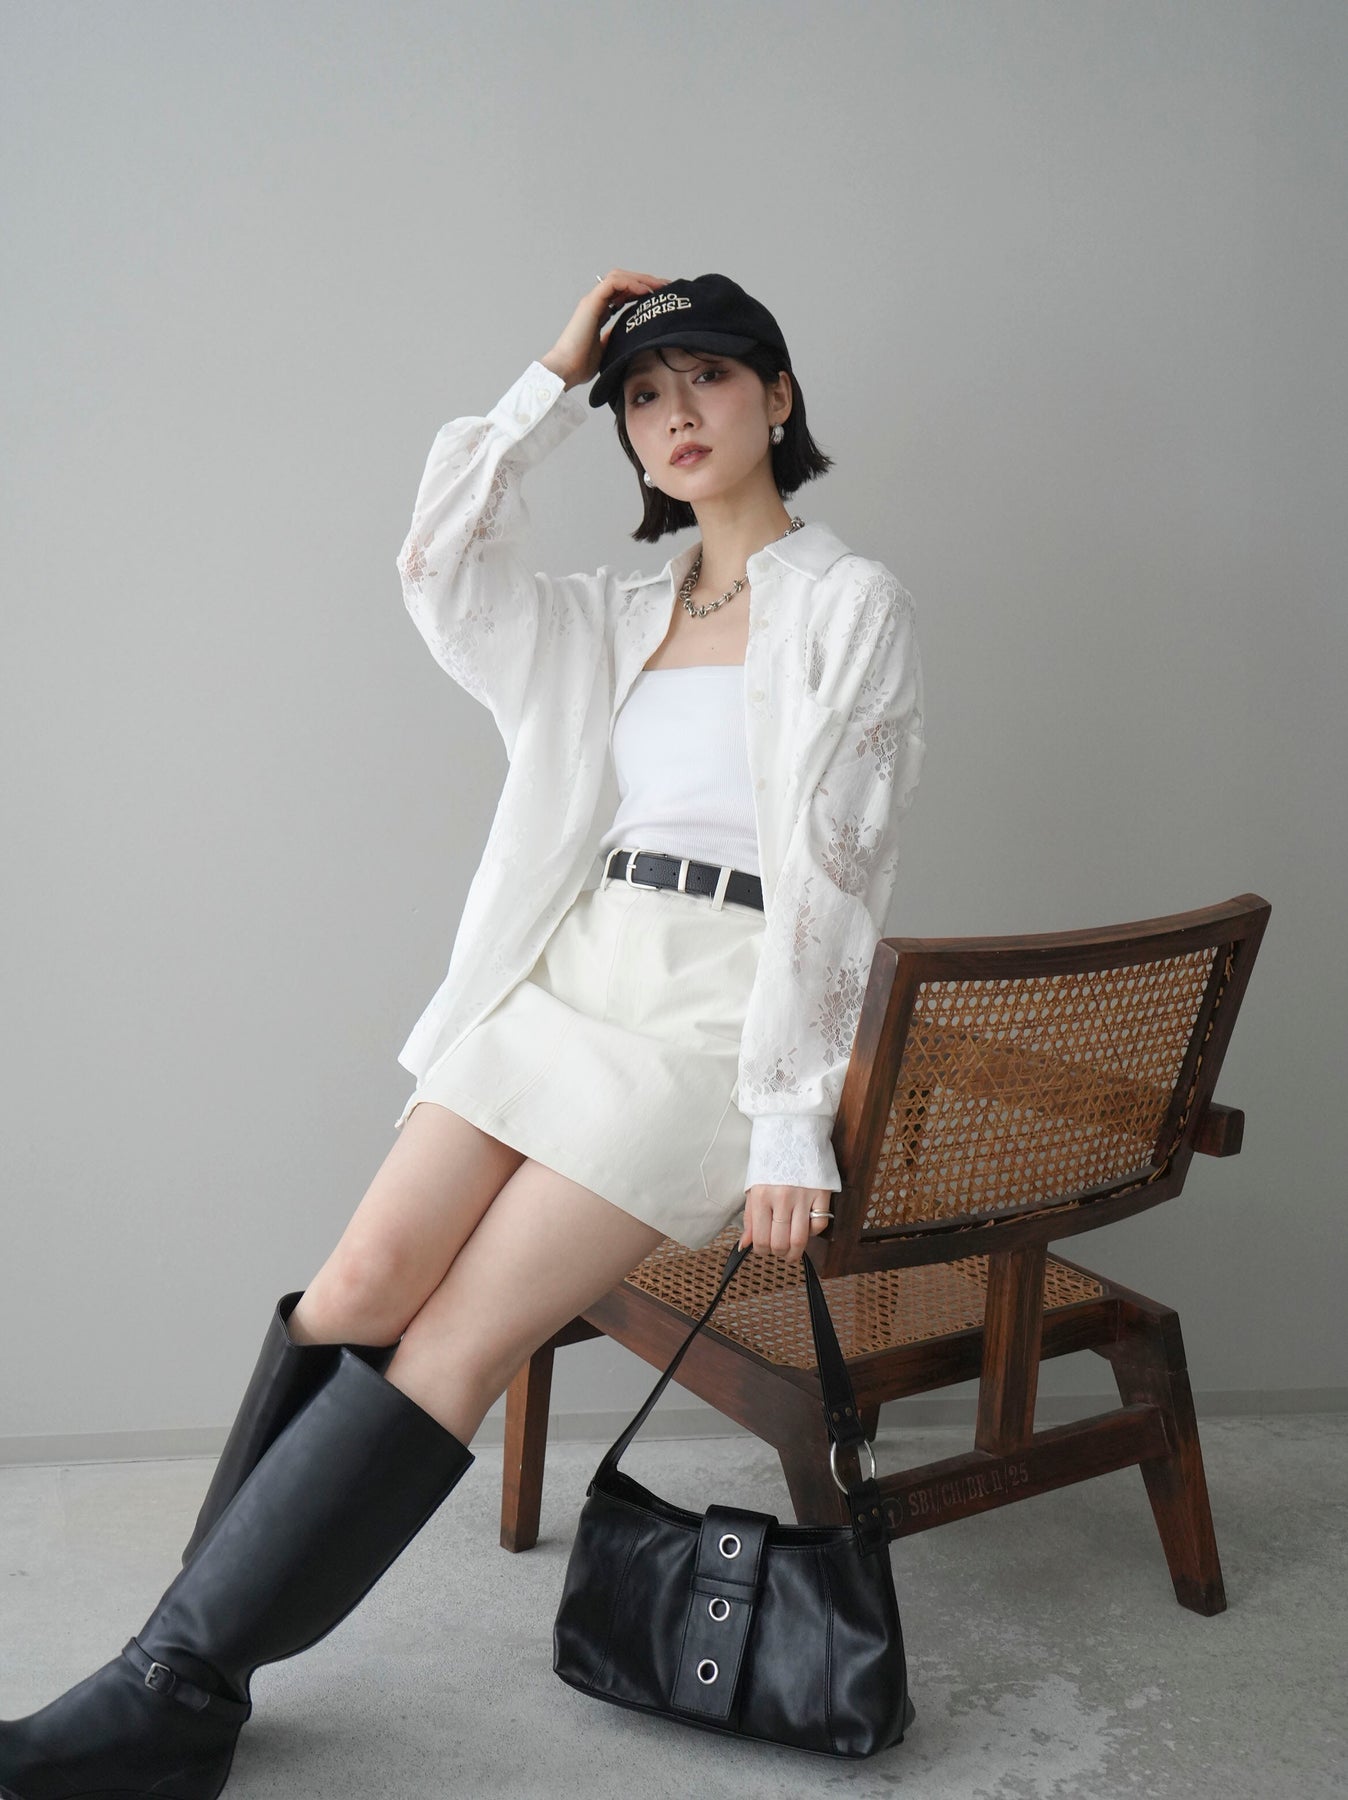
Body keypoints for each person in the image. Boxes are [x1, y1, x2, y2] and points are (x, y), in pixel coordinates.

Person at [0, 270, 926, 1796]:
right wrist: (547, 380)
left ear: (778, 396)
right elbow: (435, 563)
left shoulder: (850, 606)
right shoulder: (612, 614)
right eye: (642, 395)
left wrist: (786, 1117)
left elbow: (843, 874)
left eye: (707, 377)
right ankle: (180, 1665)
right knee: (355, 1287)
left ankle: (167, 1690)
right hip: (567, 975)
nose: (675, 414)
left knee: (457, 1342)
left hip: (716, 1013)